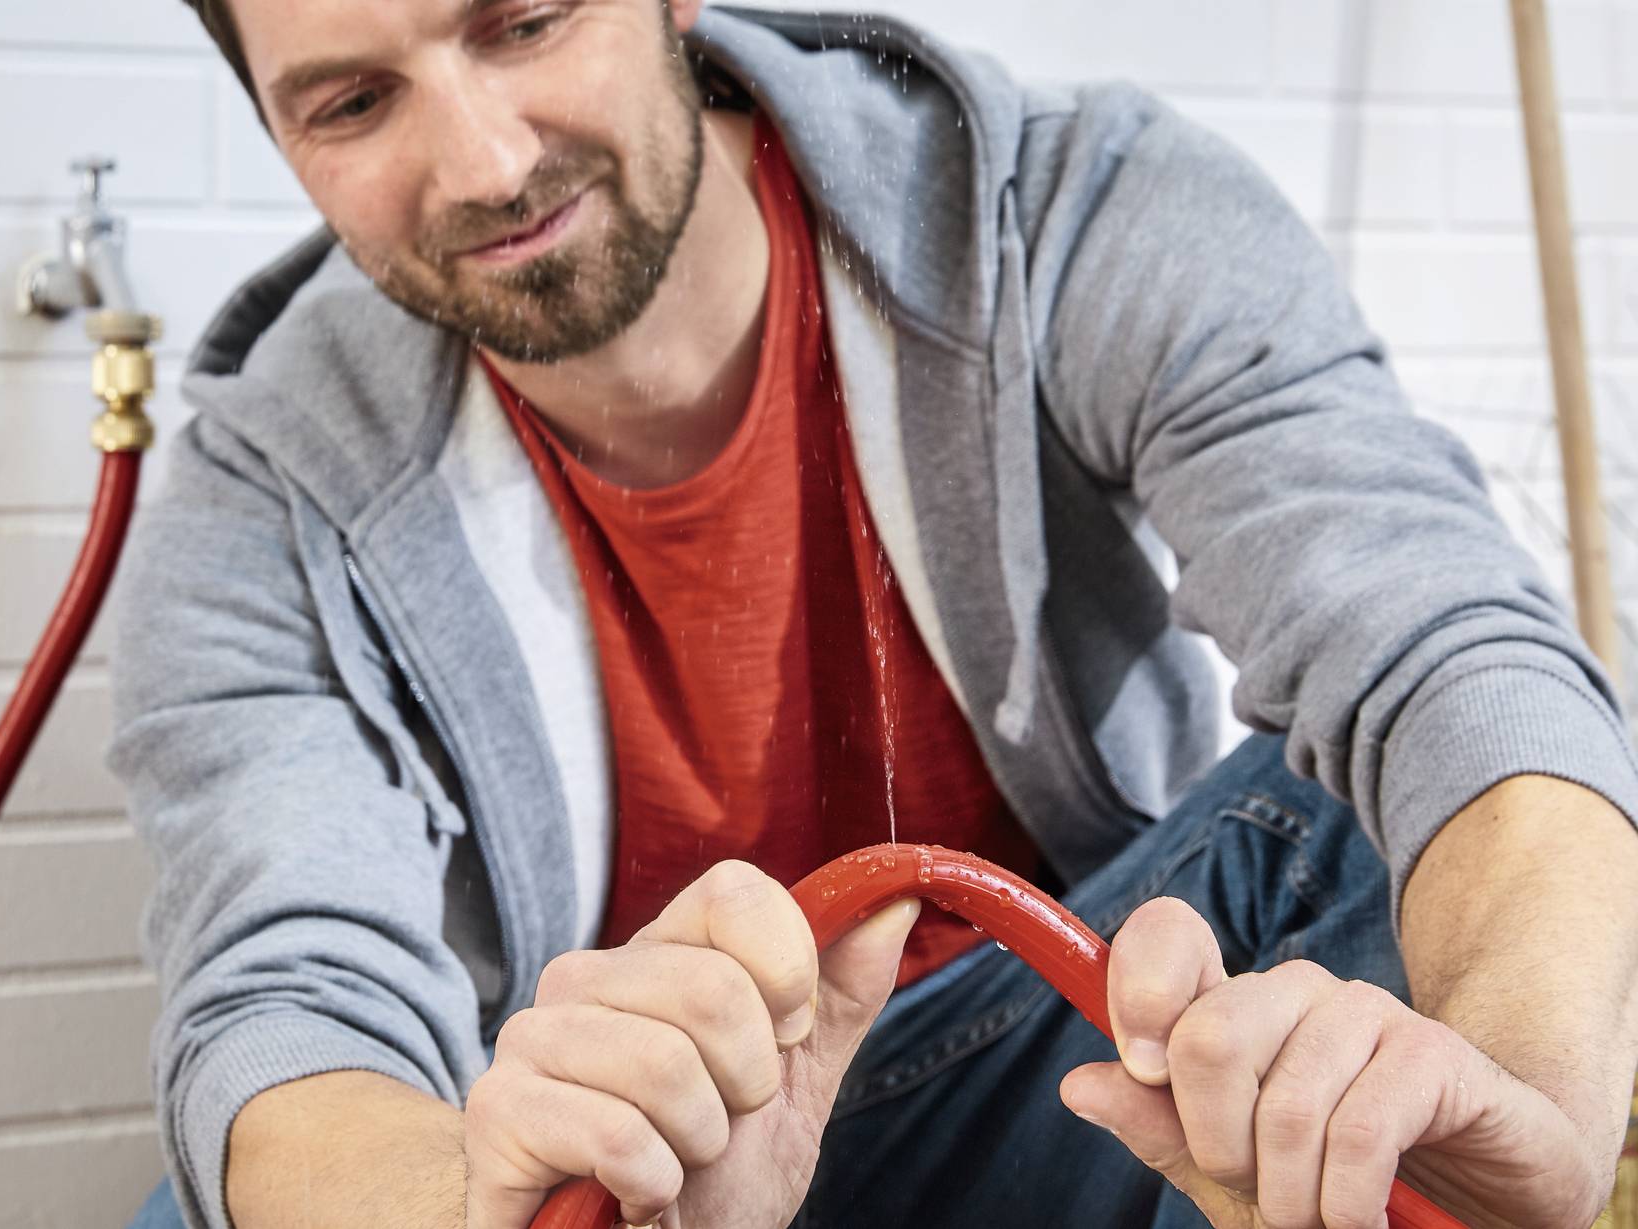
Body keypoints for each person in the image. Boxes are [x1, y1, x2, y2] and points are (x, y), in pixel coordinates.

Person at [110, 1, 1638, 1226]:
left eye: (524, 22)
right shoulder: (262, 496)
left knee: (1346, 830)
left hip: (1073, 1097)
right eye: (354, 103)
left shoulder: (1068, 209)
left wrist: (1532, 1099)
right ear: (279, 134)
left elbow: (1444, 649)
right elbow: (283, 998)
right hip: (654, 1176)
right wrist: (498, 1202)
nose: (487, 162)